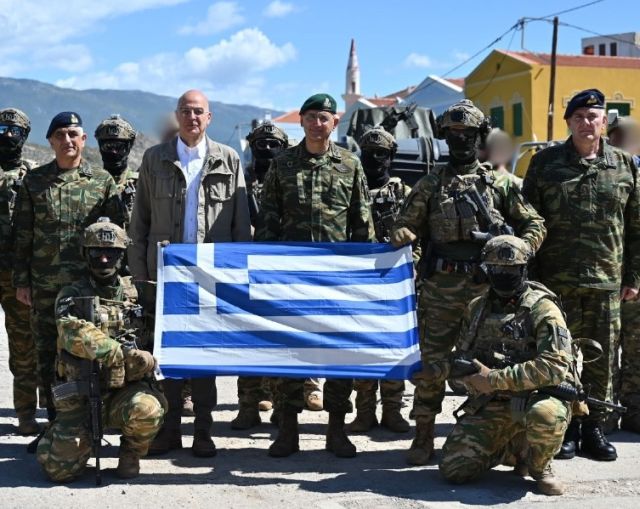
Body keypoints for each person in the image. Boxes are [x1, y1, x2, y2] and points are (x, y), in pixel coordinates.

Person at [390, 99, 546, 466]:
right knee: (431, 365)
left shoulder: (499, 184)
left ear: (480, 137)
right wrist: (402, 233)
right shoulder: (430, 184)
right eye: (454, 133)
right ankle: (423, 435)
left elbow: (534, 223)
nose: (461, 140)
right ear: (445, 137)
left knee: (491, 363)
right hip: (441, 289)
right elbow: (404, 224)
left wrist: (517, 250)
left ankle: (494, 436)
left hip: (488, 290)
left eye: (468, 134)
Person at [128, 89, 251, 457]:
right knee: (167, 356)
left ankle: (203, 431)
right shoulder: (155, 159)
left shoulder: (228, 160)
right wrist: (140, 275)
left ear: (209, 118)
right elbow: (140, 222)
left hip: (210, 276)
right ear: (177, 116)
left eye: (199, 111)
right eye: (185, 111)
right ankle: (169, 431)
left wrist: (238, 276)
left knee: (204, 357)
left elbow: (241, 222)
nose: (192, 117)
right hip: (165, 276)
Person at [256, 93, 376, 458]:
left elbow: (361, 221)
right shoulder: (282, 164)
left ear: (334, 122)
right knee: (290, 353)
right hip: (290, 278)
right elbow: (269, 220)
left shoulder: (350, 164)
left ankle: (336, 430)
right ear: (302, 121)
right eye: (310, 117)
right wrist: (265, 271)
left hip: (337, 279)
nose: (316, 124)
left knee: (339, 355)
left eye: (323, 117)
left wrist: (366, 273)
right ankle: (288, 429)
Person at [523, 89, 640, 461]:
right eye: (579, 117)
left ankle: (594, 428)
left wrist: (633, 277)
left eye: (593, 116)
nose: (586, 123)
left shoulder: (625, 165)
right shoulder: (544, 164)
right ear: (569, 122)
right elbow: (527, 222)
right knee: (559, 357)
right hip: (556, 282)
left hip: (607, 282)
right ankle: (566, 428)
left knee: (601, 360)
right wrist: (531, 281)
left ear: (604, 121)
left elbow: (636, 227)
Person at [437, 235, 572, 496]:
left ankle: (539, 465)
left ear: (524, 269)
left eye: (511, 270)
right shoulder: (477, 308)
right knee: (454, 469)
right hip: (494, 401)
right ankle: (513, 449)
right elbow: (463, 356)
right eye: (496, 269)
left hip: (538, 395)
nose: (503, 275)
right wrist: (458, 374)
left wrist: (494, 378)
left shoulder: (543, 308)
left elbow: (555, 366)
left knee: (545, 415)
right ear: (486, 270)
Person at [13, 111, 125, 423]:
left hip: (87, 287)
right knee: (48, 354)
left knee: (88, 351)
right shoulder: (34, 182)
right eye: (60, 135)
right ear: (50, 141)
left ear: (84, 139)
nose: (67, 140)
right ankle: (55, 424)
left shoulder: (101, 182)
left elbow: (117, 237)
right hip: (45, 286)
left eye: (73, 134)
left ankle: (90, 421)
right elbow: (22, 235)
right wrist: (21, 281)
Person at [37, 219, 166, 482]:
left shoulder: (141, 293)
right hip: (80, 395)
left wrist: (149, 359)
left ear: (122, 255)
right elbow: (72, 332)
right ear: (85, 254)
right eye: (97, 252)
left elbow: (176, 316)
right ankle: (66, 436)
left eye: (112, 252)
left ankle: (130, 454)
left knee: (148, 409)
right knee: (58, 471)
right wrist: (120, 353)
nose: (104, 259)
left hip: (125, 392)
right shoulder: (71, 294)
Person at [346, 126, 411, 434]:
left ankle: (393, 410)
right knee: (362, 349)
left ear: (391, 156)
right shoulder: (350, 190)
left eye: (381, 154)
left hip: (394, 282)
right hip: (359, 281)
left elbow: (419, 233)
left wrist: (412, 266)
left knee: (394, 348)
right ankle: (365, 411)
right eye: (369, 153)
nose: (375, 159)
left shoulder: (404, 194)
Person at [0, 107, 40, 435]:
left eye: (15, 130)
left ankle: (26, 414)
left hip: (15, 275)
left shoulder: (34, 177)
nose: (8, 136)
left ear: (25, 136)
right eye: (2, 129)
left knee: (24, 346)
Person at [606, 115, 640, 434]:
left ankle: (633, 411)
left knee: (635, 350)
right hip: (606, 276)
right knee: (604, 350)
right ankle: (605, 413)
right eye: (618, 136)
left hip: (635, 280)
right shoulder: (604, 174)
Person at [94, 114, 138, 226]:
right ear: (100, 148)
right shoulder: (89, 184)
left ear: (129, 147)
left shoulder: (143, 184)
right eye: (108, 146)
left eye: (119, 147)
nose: (113, 152)